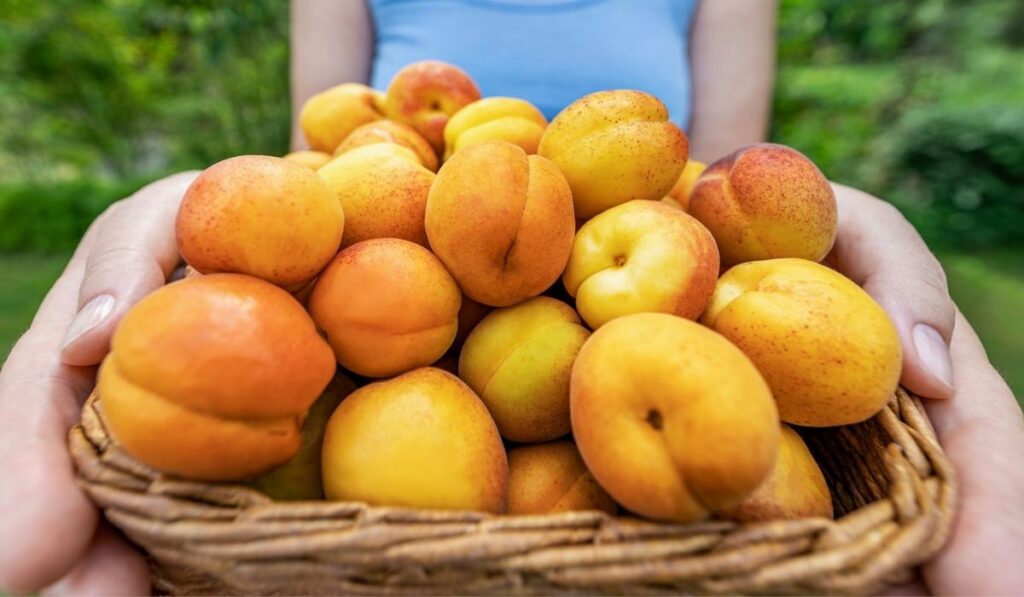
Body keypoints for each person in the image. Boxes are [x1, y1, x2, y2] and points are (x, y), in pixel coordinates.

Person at [0, 1, 1021, 594]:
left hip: (631, 285)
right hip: (391, 258)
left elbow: (715, 177)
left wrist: (847, 212)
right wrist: (183, 209)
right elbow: (315, 163)